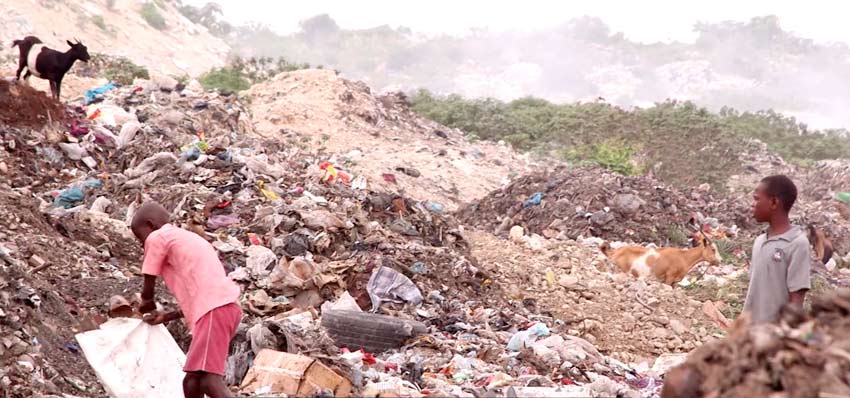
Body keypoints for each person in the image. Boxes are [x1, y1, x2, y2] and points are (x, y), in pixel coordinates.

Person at [131, 202, 242, 398]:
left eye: (141, 238)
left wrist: (146, 300)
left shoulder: (160, 236)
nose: (143, 245)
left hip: (215, 311)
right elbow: (199, 295)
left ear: (151, 225)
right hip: (220, 310)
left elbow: (149, 272)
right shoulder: (187, 239)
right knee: (192, 382)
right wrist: (166, 317)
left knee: (209, 381)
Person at [742, 175, 811, 324]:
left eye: (756, 199)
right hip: (750, 333)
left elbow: (796, 299)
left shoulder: (797, 244)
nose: (752, 205)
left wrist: (787, 338)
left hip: (773, 337)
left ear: (774, 202)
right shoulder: (759, 241)